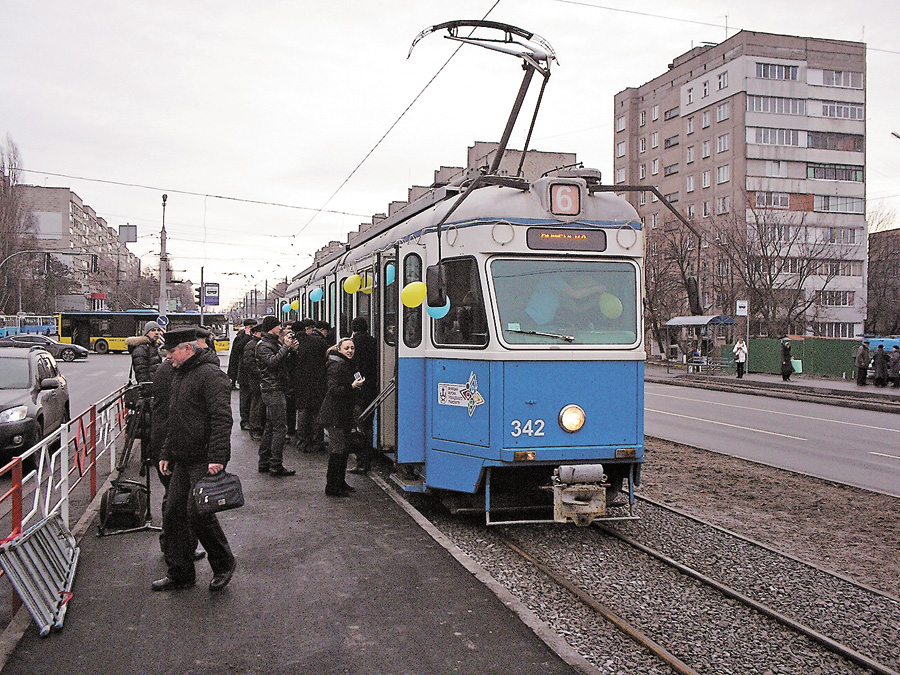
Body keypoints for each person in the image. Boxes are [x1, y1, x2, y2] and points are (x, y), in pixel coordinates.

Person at [153, 328, 235, 592]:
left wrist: (217, 457)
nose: (168, 357)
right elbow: (174, 418)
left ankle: (223, 564)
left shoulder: (211, 376)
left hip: (204, 458)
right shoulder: (180, 374)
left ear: (187, 349)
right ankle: (180, 573)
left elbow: (222, 419)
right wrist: (166, 452)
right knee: (174, 513)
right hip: (182, 457)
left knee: (198, 513)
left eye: (172, 351)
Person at [151, 328, 207, 560]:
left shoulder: (167, 370)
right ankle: (179, 548)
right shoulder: (177, 372)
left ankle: (176, 549)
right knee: (180, 504)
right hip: (175, 443)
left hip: (167, 441)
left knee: (175, 501)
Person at [318, 338, 365, 497]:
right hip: (335, 415)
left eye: (352, 348)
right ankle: (332, 486)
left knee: (343, 449)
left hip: (342, 414)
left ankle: (340, 482)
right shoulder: (336, 366)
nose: (350, 351)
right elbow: (333, 390)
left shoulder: (346, 364)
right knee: (338, 450)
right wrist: (352, 386)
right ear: (339, 349)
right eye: (346, 348)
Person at [255, 315, 298, 476]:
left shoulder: (271, 342)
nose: (280, 328)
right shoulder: (264, 345)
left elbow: (283, 362)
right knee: (280, 427)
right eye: (278, 325)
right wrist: (286, 348)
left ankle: (264, 461)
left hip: (274, 388)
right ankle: (276, 465)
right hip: (272, 389)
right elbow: (273, 362)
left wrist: (291, 350)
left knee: (270, 427)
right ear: (271, 327)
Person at [295, 318, 328, 454]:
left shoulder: (295, 344)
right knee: (316, 413)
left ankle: (302, 441)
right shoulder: (319, 342)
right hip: (317, 382)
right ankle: (317, 441)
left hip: (300, 382)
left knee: (302, 412)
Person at [349, 316, 378, 474]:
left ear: (353, 329)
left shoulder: (352, 345)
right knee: (368, 425)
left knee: (359, 426)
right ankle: (369, 454)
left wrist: (356, 381)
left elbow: (354, 366)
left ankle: (362, 461)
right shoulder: (374, 342)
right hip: (372, 388)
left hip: (359, 389)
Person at [241, 323, 265, 440]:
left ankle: (258, 427)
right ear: (256, 333)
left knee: (259, 404)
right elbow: (249, 363)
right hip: (256, 380)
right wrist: (260, 373)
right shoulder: (252, 345)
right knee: (256, 404)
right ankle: (255, 428)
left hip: (258, 379)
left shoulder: (257, 344)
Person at [228, 318, 256, 398]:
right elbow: (237, 350)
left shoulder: (256, 336)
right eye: (250, 327)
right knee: (245, 397)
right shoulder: (241, 337)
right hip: (242, 369)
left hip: (251, 371)